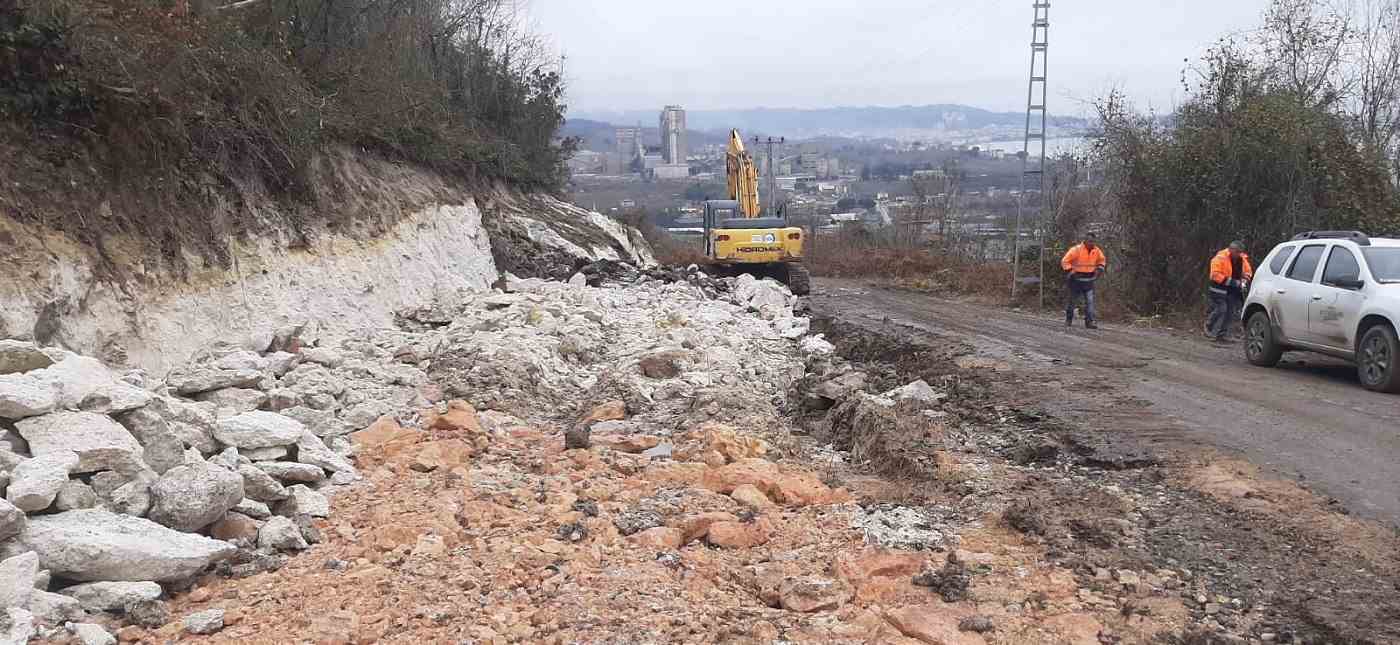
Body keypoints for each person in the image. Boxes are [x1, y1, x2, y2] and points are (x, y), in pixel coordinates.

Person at [1206, 241, 1253, 342]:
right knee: (1222, 309)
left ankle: (1222, 335)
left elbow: (1248, 271)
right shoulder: (1219, 258)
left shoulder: (1242, 259)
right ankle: (1209, 326)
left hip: (1232, 291)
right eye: (1237, 251)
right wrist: (1234, 282)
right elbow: (1215, 275)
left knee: (1230, 312)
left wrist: (1245, 279)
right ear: (1231, 249)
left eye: (1240, 252)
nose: (1239, 254)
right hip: (1218, 289)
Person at [1062, 232, 1108, 329]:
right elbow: (1065, 261)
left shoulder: (1097, 250)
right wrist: (1071, 271)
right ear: (1085, 240)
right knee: (1072, 301)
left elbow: (1102, 260)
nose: (1092, 243)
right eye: (1090, 241)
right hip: (1076, 280)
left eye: (1093, 241)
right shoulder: (1076, 250)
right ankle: (1068, 320)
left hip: (1089, 279)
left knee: (1090, 302)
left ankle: (1089, 322)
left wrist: (1100, 268)